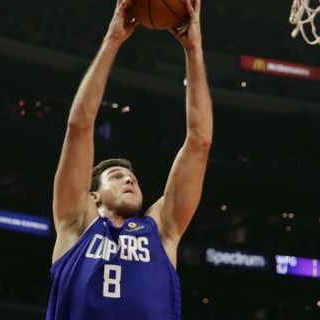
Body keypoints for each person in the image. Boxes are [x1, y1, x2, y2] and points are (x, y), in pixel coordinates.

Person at [45, 0, 212, 318]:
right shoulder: (74, 225)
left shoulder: (162, 232)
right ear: (93, 195)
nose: (129, 178)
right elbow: (79, 126)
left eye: (131, 175)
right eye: (117, 175)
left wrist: (193, 49)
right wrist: (113, 39)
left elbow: (199, 142)